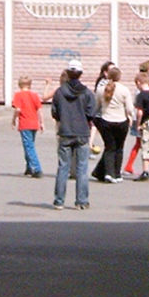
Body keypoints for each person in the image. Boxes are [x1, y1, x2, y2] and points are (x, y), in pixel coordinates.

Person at [50, 58, 96, 209]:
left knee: (63, 167)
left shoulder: (59, 92)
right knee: (82, 168)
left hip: (65, 132)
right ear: (80, 74)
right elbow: (91, 113)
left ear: (68, 73)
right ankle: (81, 201)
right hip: (82, 132)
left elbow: (55, 113)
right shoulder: (87, 93)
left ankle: (59, 201)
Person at [91, 65, 134, 183]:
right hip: (121, 121)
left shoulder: (101, 89)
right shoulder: (124, 90)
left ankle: (108, 173)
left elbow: (96, 107)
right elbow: (129, 109)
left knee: (109, 147)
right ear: (119, 77)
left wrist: (91, 118)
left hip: (106, 121)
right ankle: (117, 173)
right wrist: (131, 118)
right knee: (119, 148)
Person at [11, 74, 44, 177]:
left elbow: (18, 109)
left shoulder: (18, 95)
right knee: (29, 145)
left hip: (25, 124)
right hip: (34, 123)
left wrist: (13, 119)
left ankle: (37, 168)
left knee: (29, 146)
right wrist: (42, 122)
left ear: (19, 85)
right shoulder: (34, 95)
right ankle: (29, 167)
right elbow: (39, 109)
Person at [122, 72, 148, 177]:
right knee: (144, 144)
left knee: (141, 144)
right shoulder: (140, 93)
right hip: (139, 121)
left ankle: (129, 166)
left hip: (137, 120)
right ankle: (129, 166)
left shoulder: (139, 92)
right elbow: (139, 109)